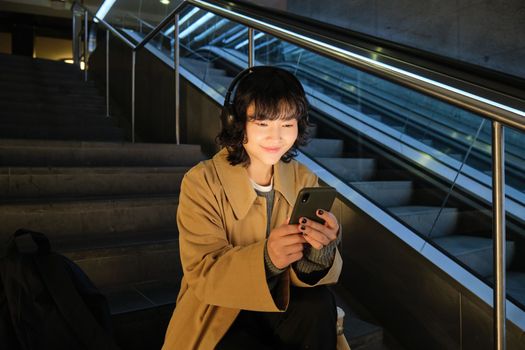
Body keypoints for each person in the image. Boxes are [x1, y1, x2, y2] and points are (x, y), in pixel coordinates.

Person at [162, 66, 342, 350]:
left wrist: (320, 252)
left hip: (282, 300)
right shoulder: (202, 181)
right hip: (219, 310)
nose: (276, 137)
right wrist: (267, 258)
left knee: (320, 304)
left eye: (287, 124)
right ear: (236, 122)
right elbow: (202, 272)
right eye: (262, 124)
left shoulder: (304, 178)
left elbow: (312, 274)